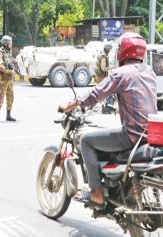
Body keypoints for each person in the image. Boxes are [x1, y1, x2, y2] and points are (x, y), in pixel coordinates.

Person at [58, 32, 157, 207]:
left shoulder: (121, 73)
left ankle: (96, 192)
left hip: (132, 135)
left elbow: (95, 94)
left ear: (123, 51)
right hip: (150, 133)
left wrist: (69, 105)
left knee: (86, 140)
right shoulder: (149, 72)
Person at [0, 35, 17, 123]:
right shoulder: (1, 52)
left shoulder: (8, 52)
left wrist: (14, 61)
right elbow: (0, 66)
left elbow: (9, 61)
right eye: (10, 43)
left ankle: (8, 114)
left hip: (10, 79)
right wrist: (9, 71)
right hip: (4, 78)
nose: (11, 44)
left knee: (10, 96)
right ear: (6, 44)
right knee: (1, 96)